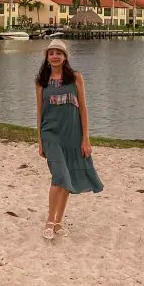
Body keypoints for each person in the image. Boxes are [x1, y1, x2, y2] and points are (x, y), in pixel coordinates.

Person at [35, 39, 103, 239]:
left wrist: (85, 139)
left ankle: (58, 222)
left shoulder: (75, 78)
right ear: (47, 58)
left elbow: (83, 108)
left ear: (65, 57)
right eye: (51, 53)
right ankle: (49, 220)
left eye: (59, 53)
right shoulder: (41, 81)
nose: (55, 56)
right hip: (50, 134)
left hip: (72, 135)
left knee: (68, 177)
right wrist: (39, 141)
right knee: (60, 176)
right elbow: (39, 112)